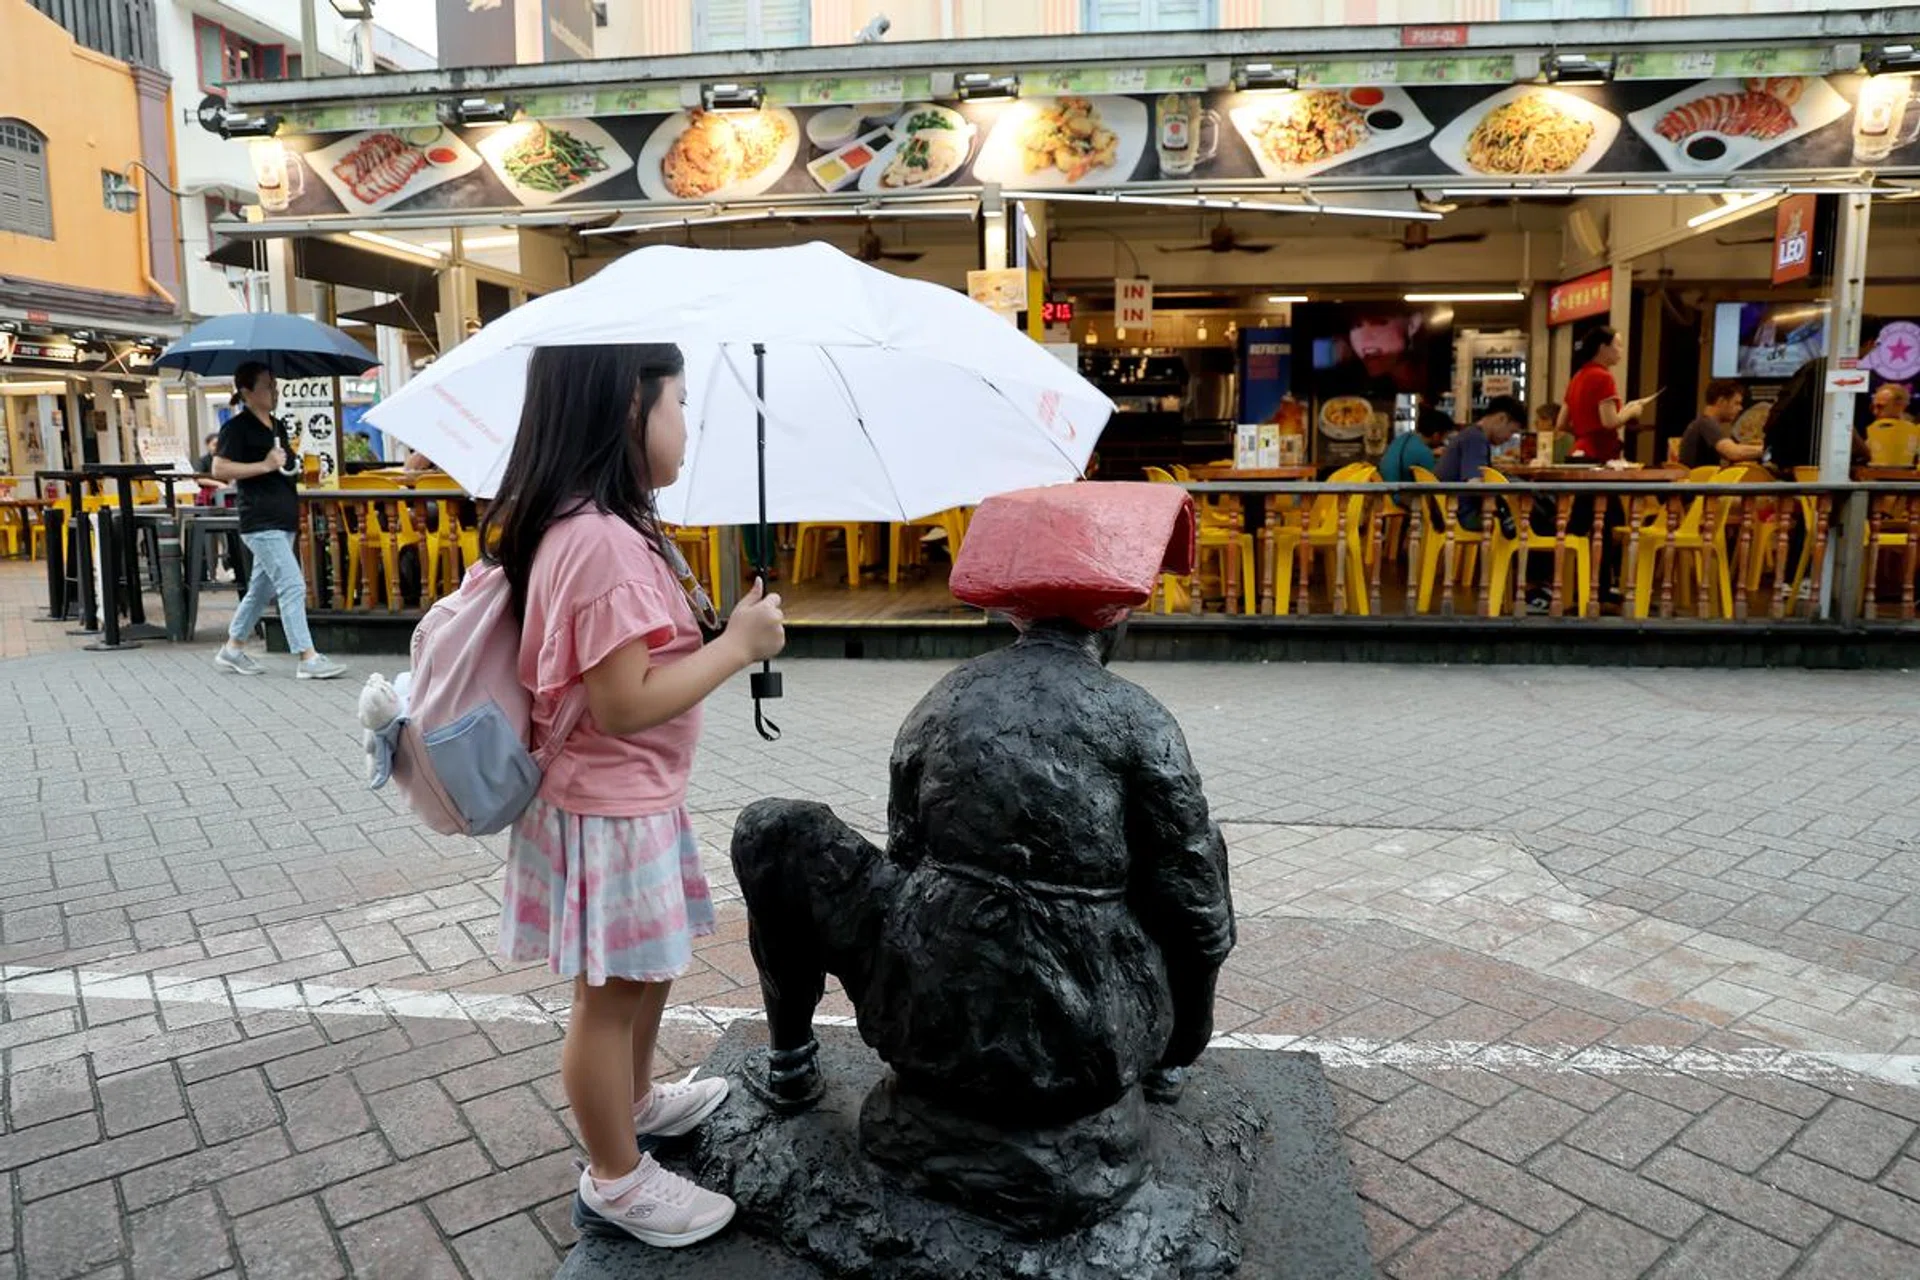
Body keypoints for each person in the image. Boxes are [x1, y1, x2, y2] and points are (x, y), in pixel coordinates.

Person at [485, 342, 787, 1249]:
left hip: (630, 800)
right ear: (630, 407)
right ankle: (615, 1179)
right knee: (608, 997)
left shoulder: (606, 524)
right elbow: (620, 704)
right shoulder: (602, 541)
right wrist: (734, 649)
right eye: (681, 403)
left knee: (644, 969)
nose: (688, 426)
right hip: (607, 806)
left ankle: (640, 1100)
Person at [211, 364, 346, 680]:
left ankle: (232, 649)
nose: (275, 391)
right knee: (292, 584)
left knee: (261, 588)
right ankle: (307, 657)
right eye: (267, 386)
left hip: (282, 517)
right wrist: (263, 464)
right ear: (247, 392)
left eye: (275, 385)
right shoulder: (237, 428)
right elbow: (219, 469)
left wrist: (295, 469)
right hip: (260, 520)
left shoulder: (276, 426)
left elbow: (279, 467)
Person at [1435, 395, 1529, 532]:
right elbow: (1474, 483)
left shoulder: (1469, 434)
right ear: (1501, 419)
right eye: (1511, 431)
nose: (1509, 438)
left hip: (1446, 511)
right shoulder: (1476, 439)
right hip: (1462, 516)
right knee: (1525, 522)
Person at [1558, 327, 1644, 463]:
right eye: (1618, 345)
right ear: (1603, 347)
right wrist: (1631, 411)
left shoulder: (1577, 376)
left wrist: (1584, 433)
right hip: (1599, 453)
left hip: (1579, 451)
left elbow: (1561, 424)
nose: (1621, 350)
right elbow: (1609, 422)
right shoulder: (1603, 377)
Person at [1679, 379, 1764, 469]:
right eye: (1736, 403)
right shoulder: (1706, 424)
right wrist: (1768, 451)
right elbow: (1733, 452)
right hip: (1699, 481)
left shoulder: (1702, 423)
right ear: (1721, 401)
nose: (1740, 408)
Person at [1380, 407, 1450, 485]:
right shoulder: (1424, 454)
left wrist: (1432, 452)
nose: (1445, 440)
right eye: (1445, 436)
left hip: (1386, 490)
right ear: (1436, 435)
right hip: (1400, 495)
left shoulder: (1404, 437)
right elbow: (1437, 481)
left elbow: (1409, 456)